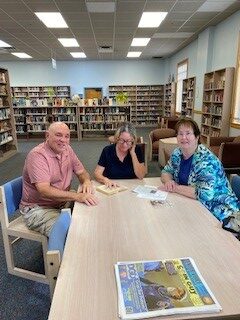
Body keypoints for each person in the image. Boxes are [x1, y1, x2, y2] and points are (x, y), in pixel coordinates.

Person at [160, 118, 240, 234]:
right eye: (180, 134)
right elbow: (166, 171)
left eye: (188, 133)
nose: (184, 137)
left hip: (220, 214)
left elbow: (205, 194)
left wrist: (175, 187)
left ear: (197, 137)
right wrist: (168, 182)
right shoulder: (178, 153)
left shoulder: (206, 160)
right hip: (193, 204)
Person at [20, 122, 98, 237]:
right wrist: (78, 196)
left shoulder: (67, 150)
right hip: (38, 209)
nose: (63, 140)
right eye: (58, 135)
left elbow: (82, 172)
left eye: (67, 136)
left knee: (92, 211)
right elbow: (44, 190)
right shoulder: (37, 156)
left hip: (61, 202)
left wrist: (86, 181)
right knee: (71, 233)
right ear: (47, 136)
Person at [94, 123, 146, 187]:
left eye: (128, 141)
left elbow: (141, 176)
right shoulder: (107, 150)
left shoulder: (137, 150)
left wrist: (133, 154)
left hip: (131, 187)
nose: (124, 145)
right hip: (112, 187)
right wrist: (105, 180)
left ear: (133, 140)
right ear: (117, 138)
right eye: (121, 140)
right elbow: (97, 173)